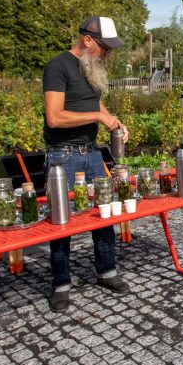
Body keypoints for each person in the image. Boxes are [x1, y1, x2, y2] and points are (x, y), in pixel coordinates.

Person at [42, 16, 131, 312]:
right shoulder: (58, 67)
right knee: (62, 221)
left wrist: (113, 120)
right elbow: (54, 117)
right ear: (88, 40)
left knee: (103, 212)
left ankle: (106, 272)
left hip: (92, 152)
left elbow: (95, 105)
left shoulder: (90, 68)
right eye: (105, 48)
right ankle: (61, 284)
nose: (108, 55)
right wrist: (98, 117)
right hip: (62, 155)